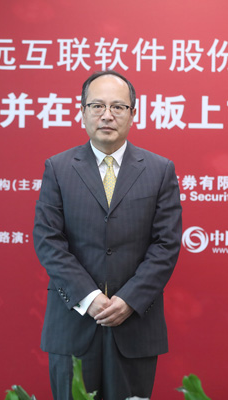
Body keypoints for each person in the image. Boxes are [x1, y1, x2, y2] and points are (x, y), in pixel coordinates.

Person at [33, 70, 182, 400]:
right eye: (97, 105)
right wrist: (89, 297)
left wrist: (129, 299)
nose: (107, 115)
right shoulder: (58, 168)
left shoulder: (160, 170)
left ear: (133, 113)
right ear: (82, 111)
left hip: (135, 325)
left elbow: (166, 244)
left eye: (118, 106)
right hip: (73, 323)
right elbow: (48, 240)